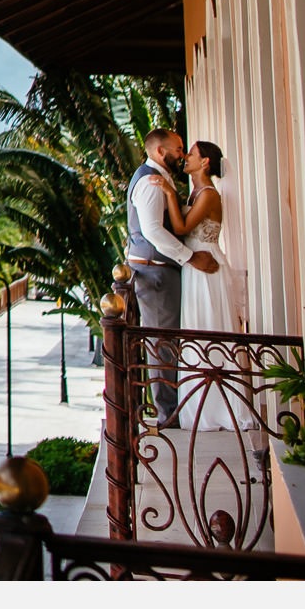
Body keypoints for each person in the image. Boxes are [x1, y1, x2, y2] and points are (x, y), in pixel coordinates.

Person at [126, 128, 218, 427]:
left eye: (185, 150)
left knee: (168, 342)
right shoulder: (151, 183)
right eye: (179, 149)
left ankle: (177, 409)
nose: (182, 154)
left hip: (163, 270)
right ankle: (168, 415)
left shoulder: (163, 181)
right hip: (155, 271)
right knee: (162, 344)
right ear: (160, 152)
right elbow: (153, 231)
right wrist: (190, 258)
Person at [168, 142, 256, 431]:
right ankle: (200, 408)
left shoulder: (207, 194)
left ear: (205, 162)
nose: (186, 158)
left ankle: (220, 407)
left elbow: (181, 228)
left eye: (191, 153)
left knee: (209, 330)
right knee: (196, 333)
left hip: (207, 267)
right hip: (193, 267)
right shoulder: (194, 192)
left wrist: (168, 193)